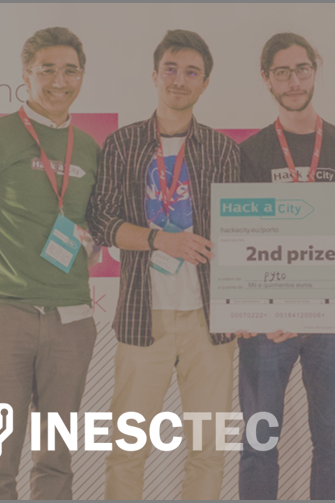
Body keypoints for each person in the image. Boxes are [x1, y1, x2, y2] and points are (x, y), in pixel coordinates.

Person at [0, 27, 99, 499]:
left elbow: (91, 231)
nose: (59, 81)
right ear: (26, 75)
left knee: (56, 461)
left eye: (70, 70)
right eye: (47, 69)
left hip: (71, 320)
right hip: (4, 317)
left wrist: (82, 248)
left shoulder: (89, 148)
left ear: (81, 76)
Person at [86, 29, 240, 500]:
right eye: (171, 69)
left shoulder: (222, 150)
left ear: (205, 83)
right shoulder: (123, 143)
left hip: (209, 322)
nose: (179, 79)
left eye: (192, 72)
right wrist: (160, 240)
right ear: (154, 75)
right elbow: (101, 220)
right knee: (127, 448)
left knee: (208, 449)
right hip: (142, 317)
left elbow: (243, 236)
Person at [235, 32, 335, 500]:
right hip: (269, 324)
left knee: (334, 443)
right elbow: (242, 240)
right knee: (259, 443)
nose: (293, 81)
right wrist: (252, 308)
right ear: (266, 79)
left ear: (315, 70)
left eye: (301, 69)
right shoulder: (250, 152)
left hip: (332, 320)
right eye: (282, 72)